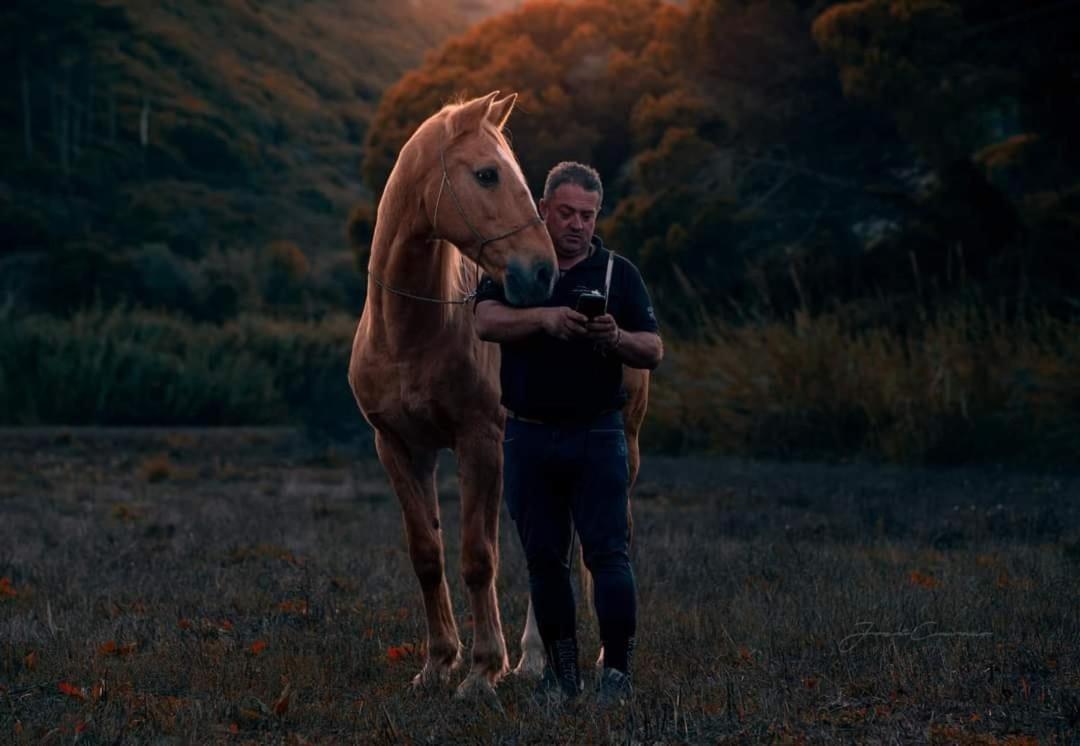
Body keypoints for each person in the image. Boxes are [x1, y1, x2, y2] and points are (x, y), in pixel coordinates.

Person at [474, 162, 663, 706]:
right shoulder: (523, 267)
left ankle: (617, 674)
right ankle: (561, 676)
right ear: (543, 209)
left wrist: (616, 336)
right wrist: (544, 319)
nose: (577, 225)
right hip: (529, 437)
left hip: (597, 434)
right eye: (566, 213)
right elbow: (484, 320)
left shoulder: (617, 273)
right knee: (543, 560)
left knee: (608, 555)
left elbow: (654, 349)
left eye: (587, 215)